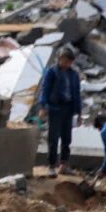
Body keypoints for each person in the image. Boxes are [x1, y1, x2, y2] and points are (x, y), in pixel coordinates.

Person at [39, 48, 82, 176]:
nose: (66, 63)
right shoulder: (52, 72)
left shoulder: (73, 74)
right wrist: (42, 106)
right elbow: (45, 89)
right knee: (53, 137)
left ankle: (63, 164)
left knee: (66, 138)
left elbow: (77, 94)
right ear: (59, 59)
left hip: (68, 109)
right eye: (65, 60)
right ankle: (51, 165)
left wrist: (79, 113)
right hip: (55, 109)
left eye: (69, 61)